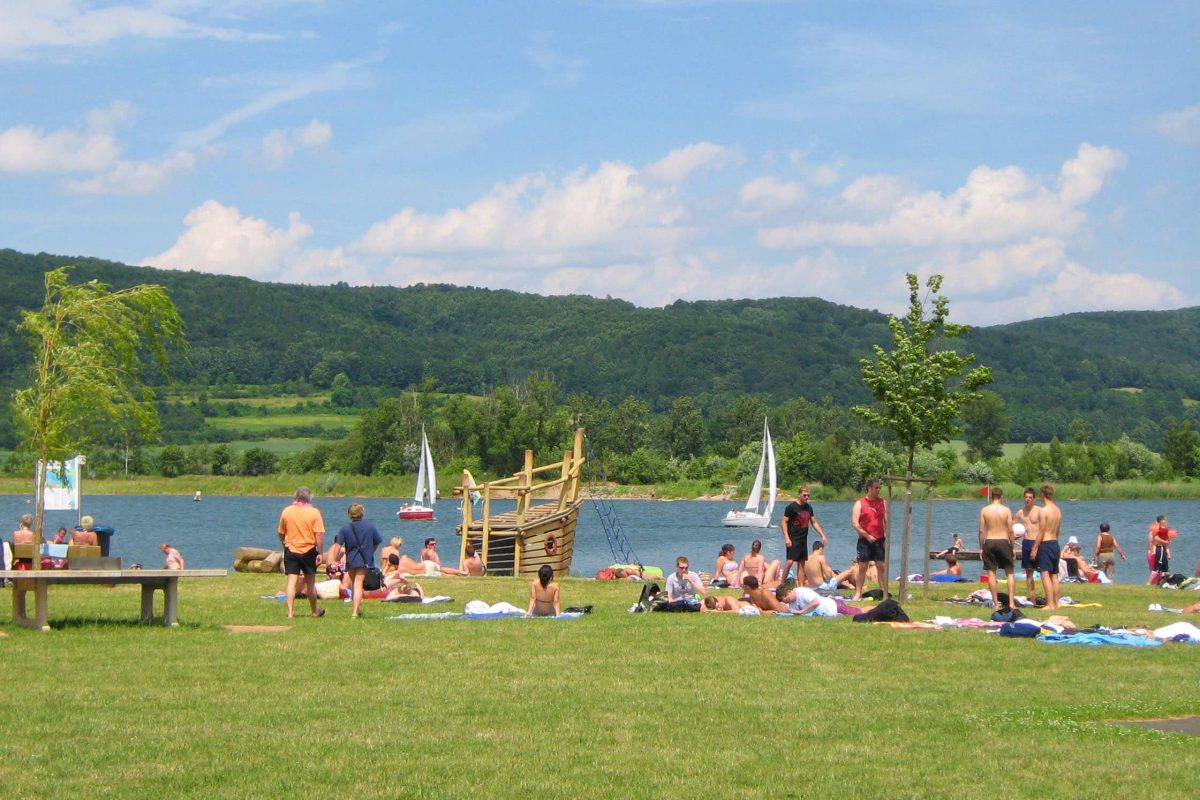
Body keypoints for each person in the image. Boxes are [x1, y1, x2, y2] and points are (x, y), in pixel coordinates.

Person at [277, 486, 326, 619]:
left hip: (291, 549)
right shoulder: (314, 512)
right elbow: (319, 535)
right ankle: (314, 611)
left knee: (291, 582)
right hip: (309, 550)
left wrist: (284, 543)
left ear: (296, 497)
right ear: (309, 498)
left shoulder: (287, 511)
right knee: (310, 583)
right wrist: (320, 552)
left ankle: (290, 612)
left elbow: (281, 532)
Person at [334, 502, 383, 618]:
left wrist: (335, 560)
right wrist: (370, 552)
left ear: (349, 514)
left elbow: (338, 545)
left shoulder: (345, 528)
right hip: (364, 560)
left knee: (354, 584)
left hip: (351, 560)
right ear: (362, 513)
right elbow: (377, 542)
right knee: (358, 584)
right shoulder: (370, 526)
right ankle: (355, 612)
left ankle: (357, 609)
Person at [978, 486, 1016, 609]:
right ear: (1002, 497)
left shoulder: (985, 510)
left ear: (991, 497)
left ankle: (996, 603)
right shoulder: (1006, 510)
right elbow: (1010, 530)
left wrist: (981, 547)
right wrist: (1013, 547)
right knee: (1010, 572)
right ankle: (1011, 603)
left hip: (989, 540)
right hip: (1003, 540)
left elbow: (981, 531)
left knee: (991, 573)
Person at [850, 478, 888, 601]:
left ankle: (883, 591)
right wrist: (867, 535)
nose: (878, 490)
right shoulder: (860, 503)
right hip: (864, 540)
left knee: (881, 566)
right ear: (869, 488)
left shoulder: (882, 502)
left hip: (879, 539)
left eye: (879, 488)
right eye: (876, 487)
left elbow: (886, 521)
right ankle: (858, 593)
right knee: (863, 566)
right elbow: (854, 523)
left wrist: (886, 537)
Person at [781, 486, 828, 584]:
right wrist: (786, 538)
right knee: (790, 562)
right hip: (793, 538)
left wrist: (822, 535)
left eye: (808, 495)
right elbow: (783, 522)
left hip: (803, 539)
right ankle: (782, 583)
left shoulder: (808, 507)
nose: (807, 497)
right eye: (804, 495)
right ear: (799, 495)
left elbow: (814, 522)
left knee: (801, 563)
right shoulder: (791, 507)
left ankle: (800, 586)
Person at [1029, 484, 1062, 610]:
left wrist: (1035, 548)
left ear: (1042, 495)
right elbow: (1058, 530)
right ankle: (1056, 603)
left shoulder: (1044, 511)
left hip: (1046, 543)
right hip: (1055, 543)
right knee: (1054, 575)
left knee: (1045, 574)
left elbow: (1041, 531)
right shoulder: (1057, 510)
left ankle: (1050, 604)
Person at [1013, 487, 1042, 604]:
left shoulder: (1039, 511)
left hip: (1038, 542)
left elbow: (1044, 528)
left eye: (1030, 497)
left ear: (1034, 499)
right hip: (1026, 542)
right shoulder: (1020, 512)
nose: (1028, 499)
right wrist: (1014, 536)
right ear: (1023, 498)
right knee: (1029, 572)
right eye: (1026, 497)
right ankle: (1032, 599)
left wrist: (1037, 546)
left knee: (1044, 572)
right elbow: (1011, 526)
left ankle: (1050, 598)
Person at [776, 584, 863, 617]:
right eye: (787, 602)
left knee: (860, 612)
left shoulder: (802, 592)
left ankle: (872, 610)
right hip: (829, 609)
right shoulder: (792, 602)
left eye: (788, 599)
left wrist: (802, 611)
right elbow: (796, 614)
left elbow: (816, 602)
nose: (789, 602)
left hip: (833, 607)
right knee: (857, 611)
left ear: (790, 591)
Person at [1149, 516, 1171, 585]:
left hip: (1163, 549)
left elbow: (1167, 542)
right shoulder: (1157, 529)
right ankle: (1149, 583)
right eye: (1164, 520)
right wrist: (1165, 542)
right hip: (1160, 549)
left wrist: (1168, 553)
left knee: (1165, 568)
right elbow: (1155, 539)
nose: (1166, 521)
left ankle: (1163, 582)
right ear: (1161, 521)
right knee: (1157, 567)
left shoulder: (1164, 529)